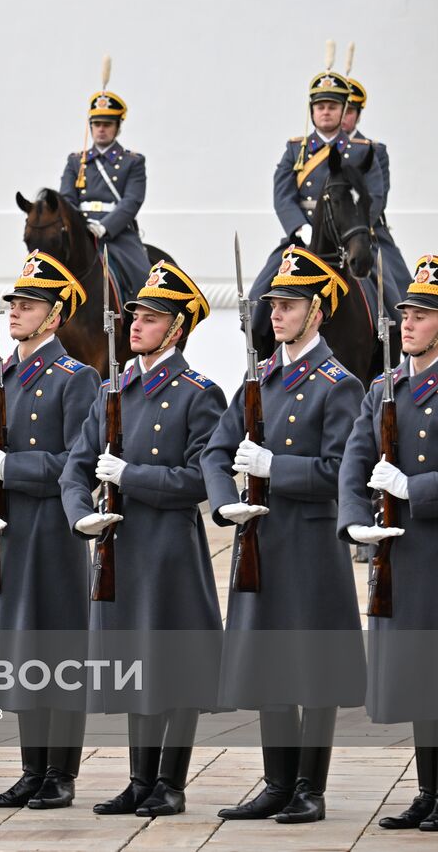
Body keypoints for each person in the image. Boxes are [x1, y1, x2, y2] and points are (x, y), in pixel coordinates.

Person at [203, 245, 365, 823]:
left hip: (311, 544)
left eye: (290, 305)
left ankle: (310, 788)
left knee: (313, 668)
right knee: (270, 661)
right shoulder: (261, 377)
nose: (277, 314)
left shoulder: (337, 384)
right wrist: (227, 506)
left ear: (316, 313)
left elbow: (342, 470)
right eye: (274, 304)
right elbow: (215, 451)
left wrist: (276, 469)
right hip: (260, 541)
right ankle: (277, 781)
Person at [60, 260, 226, 818]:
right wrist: (82, 513)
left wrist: (130, 477)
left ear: (177, 329)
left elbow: (201, 478)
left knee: (173, 665)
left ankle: (171, 783)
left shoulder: (200, 394)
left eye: (151, 318)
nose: (136, 325)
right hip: (121, 547)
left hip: (170, 550)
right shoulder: (114, 389)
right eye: (135, 315)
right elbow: (76, 467)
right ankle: (139, 780)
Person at [0, 250, 99, 810]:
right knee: (24, 656)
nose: (15, 311)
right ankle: (32, 770)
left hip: (52, 534)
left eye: (28, 304)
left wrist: (14, 467)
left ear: (55, 317)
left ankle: (60, 773)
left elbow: (78, 463)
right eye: (13, 302)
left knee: (57, 652)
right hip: (6, 531)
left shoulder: (77, 379)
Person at [337, 253, 438, 831]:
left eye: (422, 315)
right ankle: (428, 791)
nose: (408, 323)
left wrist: (414, 486)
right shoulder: (386, 386)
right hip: (399, 552)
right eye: (406, 312)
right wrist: (354, 519)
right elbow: (355, 456)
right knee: (416, 680)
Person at [249, 63, 387, 334]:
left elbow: (376, 195)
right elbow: (283, 195)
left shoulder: (362, 151)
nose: (326, 111)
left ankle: (390, 352)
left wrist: (354, 233)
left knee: (394, 291)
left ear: (343, 110)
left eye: (333, 107)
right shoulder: (295, 149)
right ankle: (262, 361)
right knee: (258, 296)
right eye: (320, 106)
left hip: (352, 233)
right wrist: (302, 228)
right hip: (304, 235)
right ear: (312, 111)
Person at [58, 89, 150, 298]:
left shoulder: (133, 162)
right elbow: (67, 199)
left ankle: (138, 320)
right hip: (81, 231)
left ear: (117, 127)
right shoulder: (75, 161)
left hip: (116, 233)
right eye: (96, 124)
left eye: (107, 125)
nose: (101, 129)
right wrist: (79, 226)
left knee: (143, 278)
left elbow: (132, 200)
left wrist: (103, 228)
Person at [342, 75, 408, 306]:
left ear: (358, 115)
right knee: (267, 282)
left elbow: (378, 197)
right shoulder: (308, 149)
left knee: (397, 286)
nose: (343, 116)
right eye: (340, 108)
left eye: (349, 111)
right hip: (316, 228)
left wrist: (352, 228)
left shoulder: (375, 151)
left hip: (364, 229)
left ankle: (402, 330)